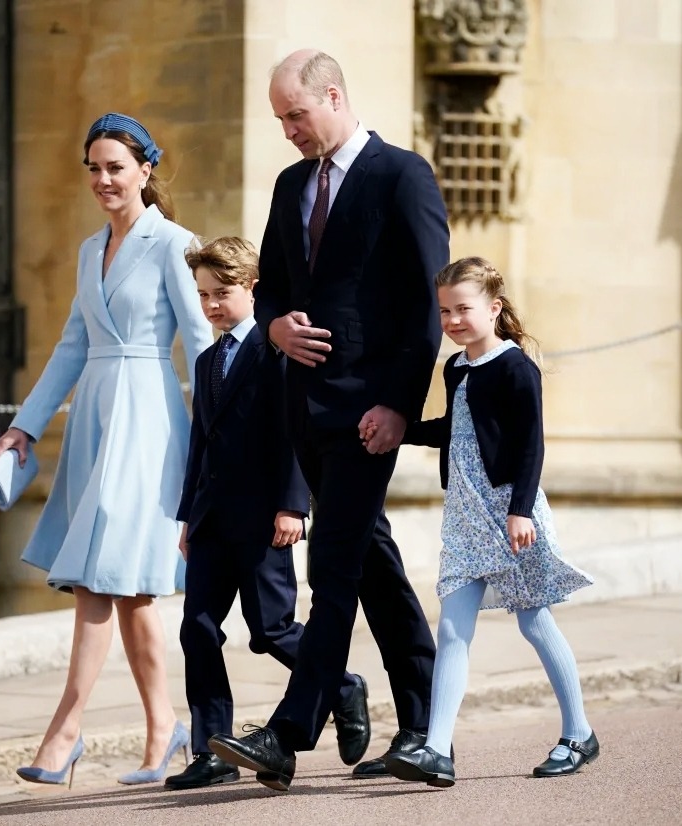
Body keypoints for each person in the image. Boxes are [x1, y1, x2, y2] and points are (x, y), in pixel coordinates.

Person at [207, 50, 450, 791]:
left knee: (335, 564)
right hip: (304, 414)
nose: (285, 131)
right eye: (279, 118)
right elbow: (273, 291)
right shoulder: (289, 186)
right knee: (369, 558)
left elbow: (426, 304)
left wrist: (399, 407)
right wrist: (274, 328)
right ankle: (424, 723)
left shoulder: (401, 176)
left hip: (369, 415)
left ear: (334, 97)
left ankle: (288, 733)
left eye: (295, 115)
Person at [0, 113, 214, 788]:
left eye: (115, 166)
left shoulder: (177, 245)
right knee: (130, 591)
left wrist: (220, 438)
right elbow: (71, 345)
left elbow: (203, 345)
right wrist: (23, 427)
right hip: (95, 417)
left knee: (98, 576)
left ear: (146, 169)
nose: (102, 179)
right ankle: (163, 727)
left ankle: (64, 732)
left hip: (148, 422)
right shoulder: (91, 251)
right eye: (93, 167)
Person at [364, 256, 597, 788]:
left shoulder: (516, 367)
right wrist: (403, 430)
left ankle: (579, 733)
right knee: (450, 629)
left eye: (463, 309)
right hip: (466, 513)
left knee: (534, 621)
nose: (452, 321)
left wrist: (519, 511)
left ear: (493, 308)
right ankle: (438, 751)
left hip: (510, 512)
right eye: (444, 311)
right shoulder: (457, 368)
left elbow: (530, 444)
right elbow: (457, 429)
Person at [165, 236, 370, 791]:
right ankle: (213, 749)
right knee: (197, 631)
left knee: (272, 630)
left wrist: (292, 505)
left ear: (253, 289)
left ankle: (342, 685)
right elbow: (199, 446)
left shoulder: (277, 354)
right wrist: (187, 517)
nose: (209, 305)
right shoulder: (207, 361)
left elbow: (294, 436)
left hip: (264, 520)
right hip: (210, 520)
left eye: (221, 293)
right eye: (202, 294)